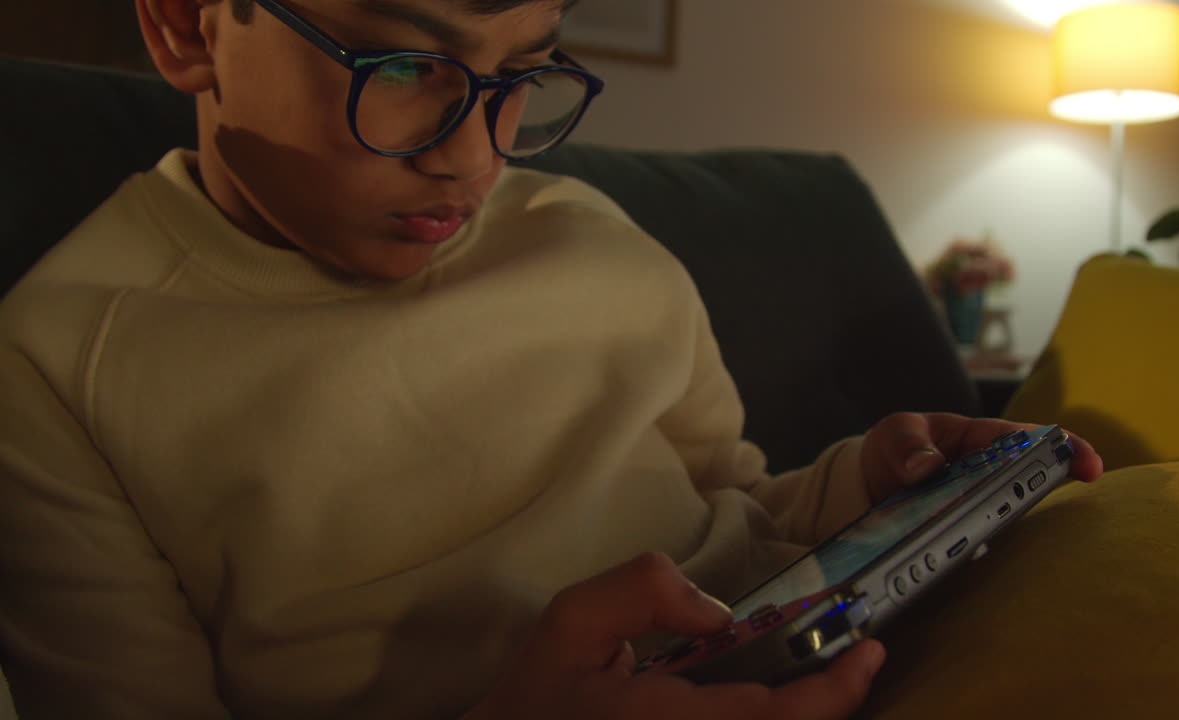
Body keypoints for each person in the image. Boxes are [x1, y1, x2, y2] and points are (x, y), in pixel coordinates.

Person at [0, 0, 1104, 717]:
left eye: (520, 73)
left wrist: (870, 481)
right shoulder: (55, 366)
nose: (471, 155)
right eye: (400, 66)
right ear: (189, 28)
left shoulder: (587, 233)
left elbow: (734, 504)